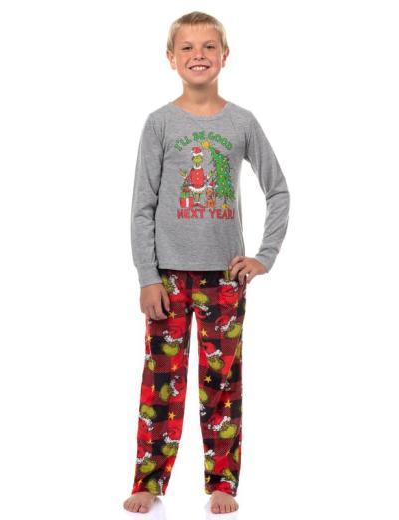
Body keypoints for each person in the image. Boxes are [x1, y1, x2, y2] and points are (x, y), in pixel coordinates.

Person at [123, 11, 290, 515]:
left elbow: (278, 191)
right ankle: (150, 480)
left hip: (225, 278)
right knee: (162, 383)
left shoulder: (242, 122)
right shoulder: (160, 123)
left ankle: (222, 482)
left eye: (209, 46)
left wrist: (263, 257)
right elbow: (142, 206)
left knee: (222, 384)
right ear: (171, 58)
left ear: (224, 56)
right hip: (168, 278)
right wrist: (147, 276)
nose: (199, 55)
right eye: (188, 47)